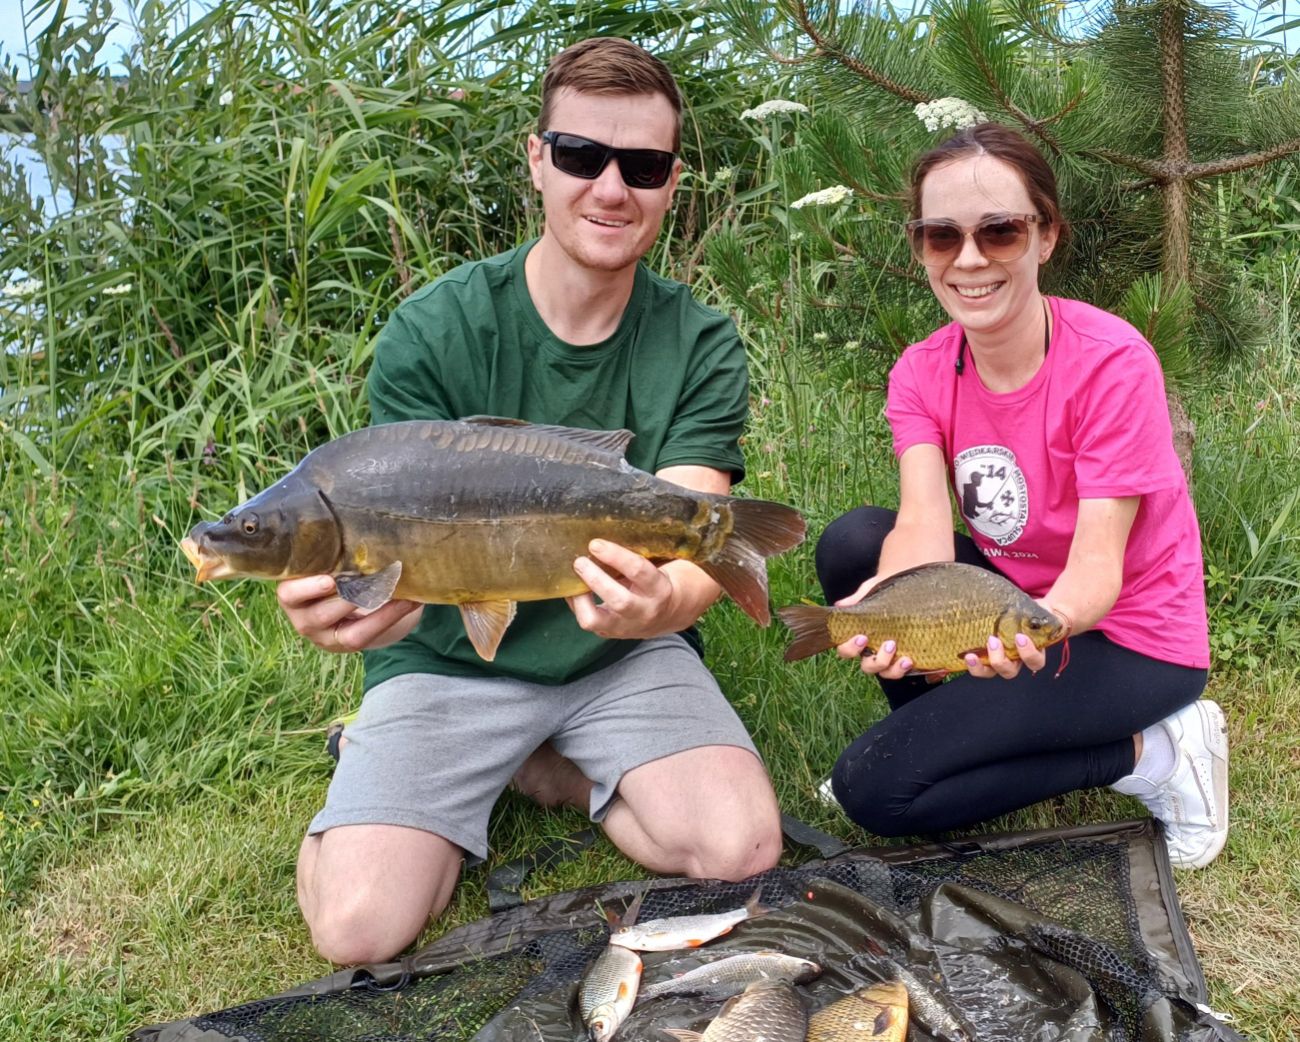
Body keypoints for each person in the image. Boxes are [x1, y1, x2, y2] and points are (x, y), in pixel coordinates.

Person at [275, 37, 782, 966]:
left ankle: (547, 769)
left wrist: (657, 607)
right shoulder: (433, 331)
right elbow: (396, 558)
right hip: (449, 661)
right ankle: (374, 761)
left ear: (674, 183)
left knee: (741, 849)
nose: (611, 188)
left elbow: (700, 523)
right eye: (583, 156)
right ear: (538, 158)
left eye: (644, 165)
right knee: (357, 930)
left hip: (623, 653)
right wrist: (359, 615)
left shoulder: (700, 340)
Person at [815, 123, 1228, 870]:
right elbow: (921, 529)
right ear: (920, 248)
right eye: (942, 236)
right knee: (852, 543)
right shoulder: (921, 369)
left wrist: (1027, 634)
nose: (969, 260)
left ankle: (1157, 752)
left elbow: (1098, 571)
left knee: (874, 791)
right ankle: (951, 730)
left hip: (1127, 636)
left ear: (1046, 237)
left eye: (999, 231)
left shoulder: (1112, 363)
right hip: (1010, 601)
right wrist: (885, 597)